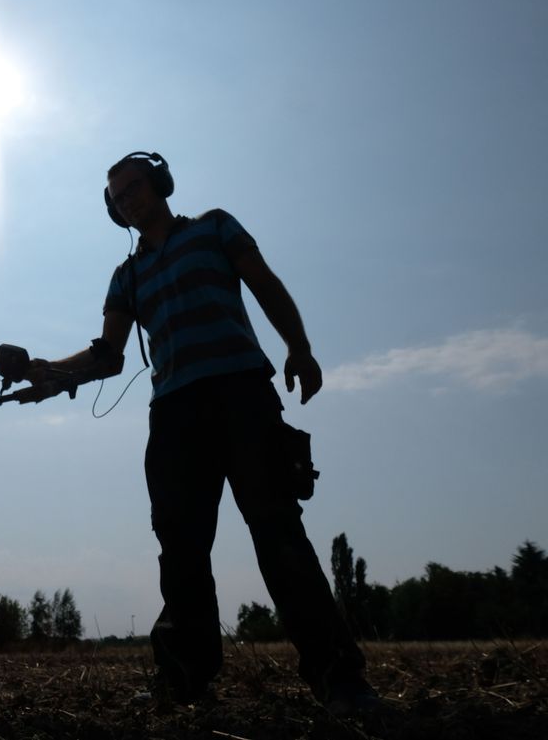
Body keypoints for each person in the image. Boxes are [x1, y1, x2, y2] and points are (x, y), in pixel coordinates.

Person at [23, 151, 378, 715]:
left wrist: (299, 346)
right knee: (181, 551)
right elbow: (108, 355)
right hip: (174, 416)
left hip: (242, 395)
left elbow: (263, 283)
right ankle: (183, 678)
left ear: (160, 184)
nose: (127, 199)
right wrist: (49, 373)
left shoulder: (215, 225)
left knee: (278, 532)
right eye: (116, 198)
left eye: (134, 187)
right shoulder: (127, 276)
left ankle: (341, 678)